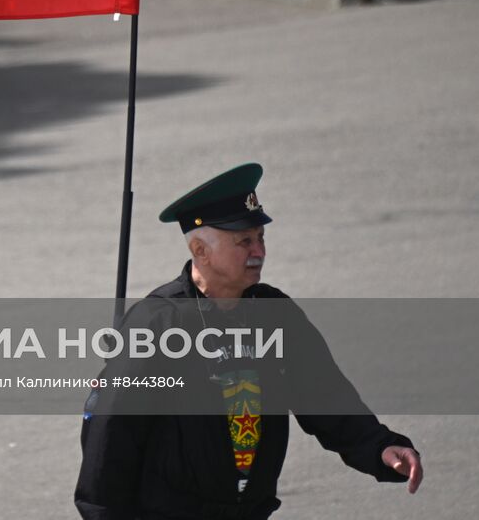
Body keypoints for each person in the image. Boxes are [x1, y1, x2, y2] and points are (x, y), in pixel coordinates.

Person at [74, 163, 423, 519]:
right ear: (200, 250)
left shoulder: (274, 313)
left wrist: (380, 447)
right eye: (244, 241)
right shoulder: (158, 323)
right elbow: (110, 437)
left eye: (261, 238)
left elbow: (324, 393)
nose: (258, 251)